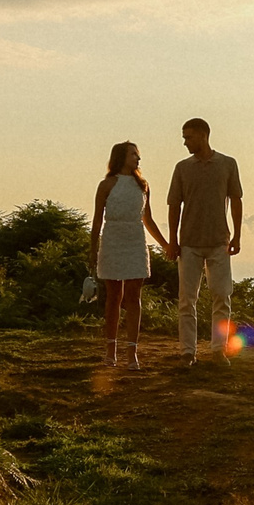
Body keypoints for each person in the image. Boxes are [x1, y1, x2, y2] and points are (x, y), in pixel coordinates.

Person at [88, 140, 171, 368]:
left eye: (138, 154)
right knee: (114, 297)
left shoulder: (142, 185)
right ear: (121, 157)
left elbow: (148, 219)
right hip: (113, 238)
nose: (138, 158)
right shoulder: (106, 185)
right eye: (133, 154)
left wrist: (165, 244)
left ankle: (132, 351)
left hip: (135, 240)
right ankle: (110, 350)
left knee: (134, 297)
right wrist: (93, 250)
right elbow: (96, 221)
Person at [166, 117, 242, 362]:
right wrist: (172, 240)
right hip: (189, 242)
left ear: (202, 135)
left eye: (188, 137)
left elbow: (236, 200)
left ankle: (218, 349)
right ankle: (188, 351)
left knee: (222, 294)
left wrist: (237, 235)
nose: (185, 142)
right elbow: (174, 204)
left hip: (219, 239)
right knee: (188, 299)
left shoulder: (227, 164)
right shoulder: (182, 168)